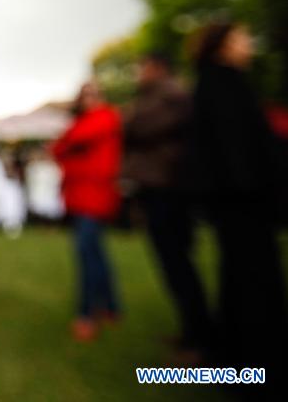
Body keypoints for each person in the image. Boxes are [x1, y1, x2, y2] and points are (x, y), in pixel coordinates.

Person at [192, 22, 288, 399]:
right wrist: (264, 192)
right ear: (222, 46)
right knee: (253, 282)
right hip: (244, 203)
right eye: (241, 38)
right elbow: (238, 152)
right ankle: (256, 367)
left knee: (241, 280)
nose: (248, 45)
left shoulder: (222, 84)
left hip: (239, 203)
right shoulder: (222, 85)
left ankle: (238, 362)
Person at [123, 52, 211, 359]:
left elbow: (137, 128)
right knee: (172, 264)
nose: (139, 73)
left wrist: (132, 120)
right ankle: (191, 331)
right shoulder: (157, 96)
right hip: (159, 188)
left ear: (157, 68)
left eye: (142, 67)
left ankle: (200, 338)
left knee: (178, 263)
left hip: (169, 190)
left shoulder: (171, 94)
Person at [52, 82, 122, 342]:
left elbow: (74, 139)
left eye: (93, 94)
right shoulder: (86, 121)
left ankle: (87, 314)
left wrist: (68, 142)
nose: (89, 100)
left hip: (95, 196)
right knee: (96, 253)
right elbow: (58, 149)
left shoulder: (104, 117)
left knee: (86, 253)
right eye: (85, 95)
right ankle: (111, 307)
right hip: (81, 196)